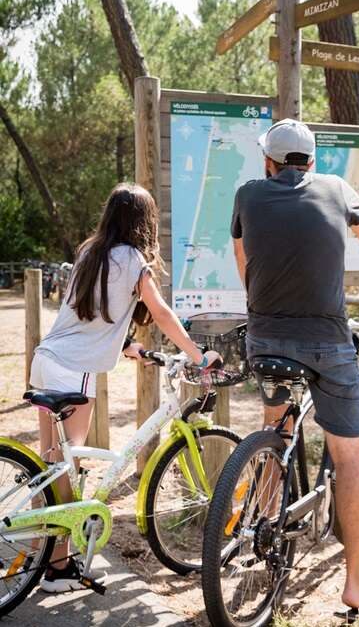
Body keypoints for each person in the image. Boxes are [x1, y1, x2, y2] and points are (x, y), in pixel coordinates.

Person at [231, 119, 359, 622]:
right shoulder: (337, 189)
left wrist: (268, 305)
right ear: (311, 162)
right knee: (352, 458)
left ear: (269, 162)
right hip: (328, 342)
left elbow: (244, 261)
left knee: (276, 427)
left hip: (266, 337)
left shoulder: (247, 195)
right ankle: (356, 586)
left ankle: (264, 526)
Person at [30, 183, 220, 593]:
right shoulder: (134, 259)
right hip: (73, 370)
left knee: (50, 464)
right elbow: (162, 312)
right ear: (143, 223)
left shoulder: (89, 251)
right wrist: (198, 353)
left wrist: (129, 345)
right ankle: (58, 567)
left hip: (47, 359)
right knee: (67, 466)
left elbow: (89, 312)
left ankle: (38, 551)